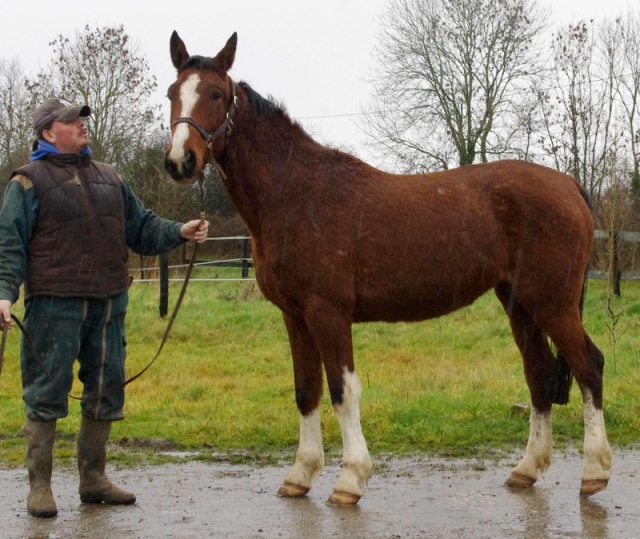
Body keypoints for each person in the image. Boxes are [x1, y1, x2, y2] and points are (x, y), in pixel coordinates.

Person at [0, 98, 208, 518]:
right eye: (71, 120)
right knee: (46, 393)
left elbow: (142, 228)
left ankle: (93, 480)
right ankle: (39, 486)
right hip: (53, 305)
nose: (81, 125)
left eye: (82, 119)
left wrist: (179, 232)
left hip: (110, 302)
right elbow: (10, 243)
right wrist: (4, 293)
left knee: (106, 390)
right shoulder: (26, 182)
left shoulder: (111, 178)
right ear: (47, 133)